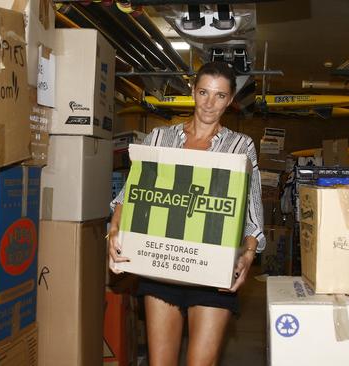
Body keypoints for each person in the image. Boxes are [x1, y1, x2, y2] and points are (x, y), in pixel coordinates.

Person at [108, 61, 265, 366]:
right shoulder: (158, 138)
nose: (209, 103)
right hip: (162, 266)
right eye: (204, 92)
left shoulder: (240, 146)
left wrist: (247, 256)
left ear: (230, 100)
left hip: (213, 274)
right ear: (193, 92)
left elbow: (253, 214)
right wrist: (114, 231)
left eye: (220, 96)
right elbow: (129, 197)